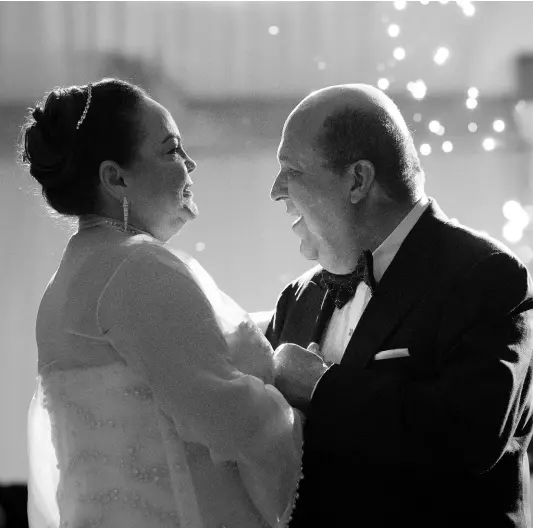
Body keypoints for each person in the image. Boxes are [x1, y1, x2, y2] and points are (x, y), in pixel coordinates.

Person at [20, 78, 302, 528]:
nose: (189, 164)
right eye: (171, 150)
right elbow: (230, 418)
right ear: (116, 178)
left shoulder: (66, 284)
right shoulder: (136, 267)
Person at [266, 83, 533, 528]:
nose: (276, 191)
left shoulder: (486, 276)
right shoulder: (298, 298)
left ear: (357, 180)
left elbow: (469, 436)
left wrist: (323, 389)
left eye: (290, 170)